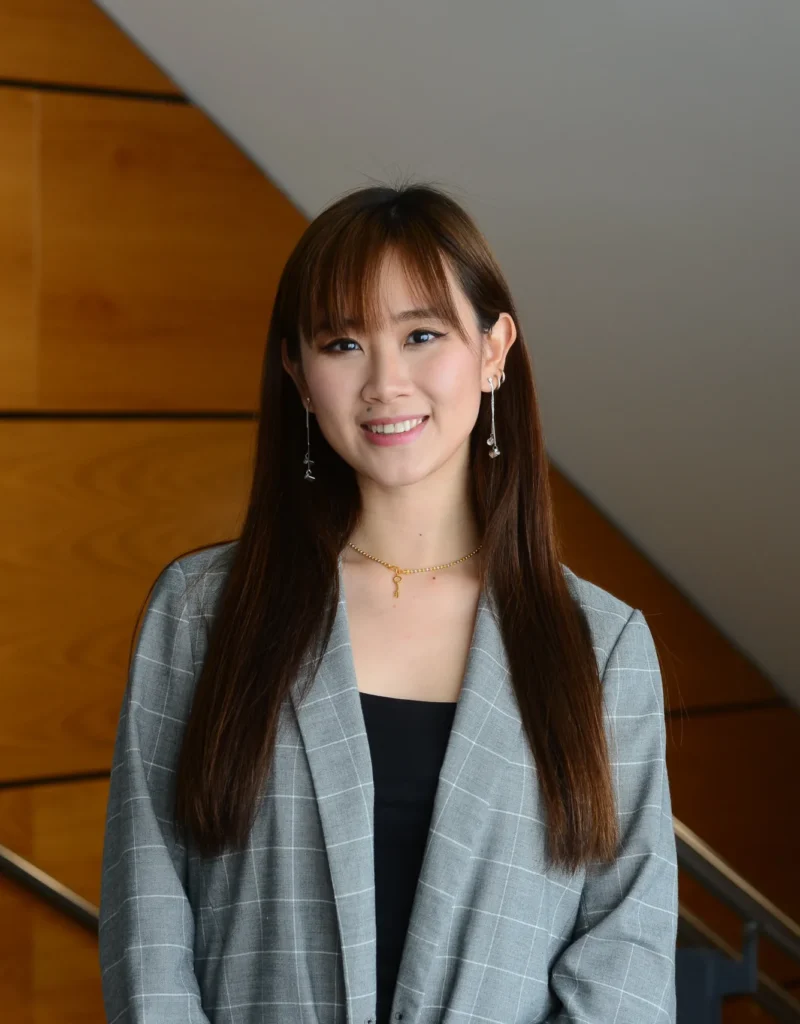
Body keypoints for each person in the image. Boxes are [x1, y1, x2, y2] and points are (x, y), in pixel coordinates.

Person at [98, 181, 678, 1024]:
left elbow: (624, 960)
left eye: (421, 335)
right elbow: (146, 927)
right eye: (342, 343)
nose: (385, 381)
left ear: (493, 350)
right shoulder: (200, 613)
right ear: (297, 372)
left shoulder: (603, 646)